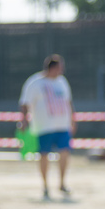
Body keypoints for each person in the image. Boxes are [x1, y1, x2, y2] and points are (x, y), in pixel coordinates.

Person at [20, 54, 76, 200]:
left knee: (64, 152)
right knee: (44, 154)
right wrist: (24, 119)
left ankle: (62, 183)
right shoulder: (35, 82)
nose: (61, 70)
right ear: (52, 67)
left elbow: (69, 102)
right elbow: (25, 102)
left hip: (62, 125)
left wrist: (72, 120)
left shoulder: (62, 82)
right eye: (59, 67)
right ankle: (45, 185)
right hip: (43, 126)